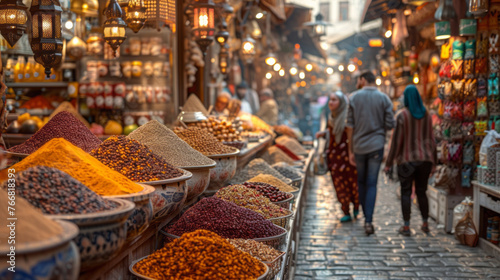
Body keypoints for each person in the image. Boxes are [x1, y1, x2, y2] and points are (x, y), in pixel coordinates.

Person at [346, 70, 395, 235]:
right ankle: (369, 220)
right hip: (376, 146)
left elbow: (349, 126)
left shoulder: (353, 97)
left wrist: (350, 150)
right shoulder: (384, 98)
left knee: (361, 181)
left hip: (359, 146)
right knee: (372, 182)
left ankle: (364, 214)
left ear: (363, 80)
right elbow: (390, 123)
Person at [384, 85, 437, 236]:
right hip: (425, 161)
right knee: (422, 192)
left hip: (406, 161)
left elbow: (396, 142)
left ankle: (406, 226)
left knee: (406, 192)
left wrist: (388, 163)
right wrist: (434, 162)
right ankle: (425, 223)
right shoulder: (427, 115)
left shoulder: (402, 116)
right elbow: (432, 140)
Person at [316, 91, 359, 222]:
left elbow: (353, 134)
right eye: (330, 99)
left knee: (353, 183)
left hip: (348, 155)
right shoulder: (331, 117)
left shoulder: (348, 116)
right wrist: (324, 133)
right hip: (334, 156)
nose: (331, 102)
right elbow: (332, 131)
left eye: (334, 100)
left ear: (341, 103)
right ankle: (345, 210)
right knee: (339, 184)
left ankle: (356, 206)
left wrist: (353, 152)